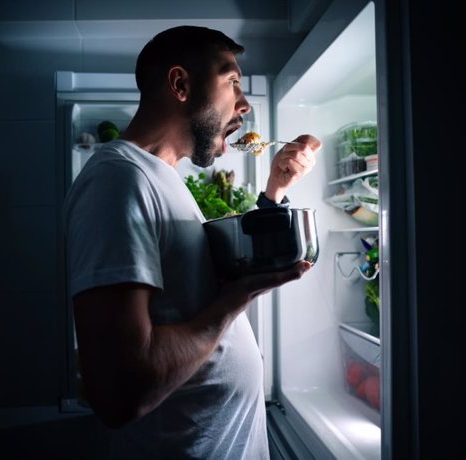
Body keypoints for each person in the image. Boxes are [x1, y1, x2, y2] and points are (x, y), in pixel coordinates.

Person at [63, 25, 321, 459]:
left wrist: (275, 189)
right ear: (180, 84)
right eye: (232, 82)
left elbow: (194, 291)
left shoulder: (162, 178)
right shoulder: (117, 180)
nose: (244, 104)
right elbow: (119, 394)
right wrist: (238, 298)